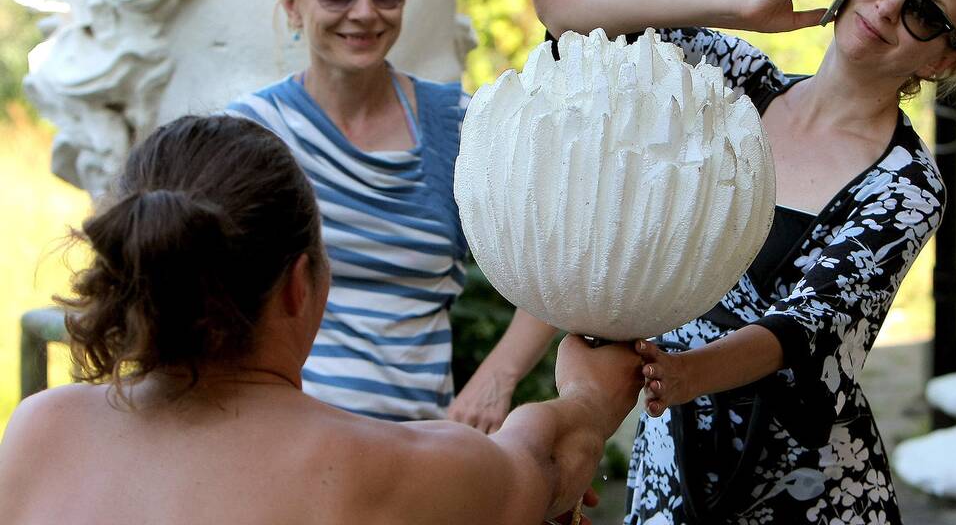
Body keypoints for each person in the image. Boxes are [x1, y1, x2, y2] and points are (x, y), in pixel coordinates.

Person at [533, 0, 956, 524]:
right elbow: (558, 3)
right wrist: (742, 8)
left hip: (805, 491)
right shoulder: (732, 85)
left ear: (943, 59)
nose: (887, 10)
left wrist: (679, 373)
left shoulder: (906, 184)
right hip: (672, 454)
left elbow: (804, 332)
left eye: (926, 14)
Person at [0, 114, 642, 525]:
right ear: (299, 284)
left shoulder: (39, 432)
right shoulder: (385, 469)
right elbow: (544, 460)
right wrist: (588, 395)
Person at [227, 0, 557, 428]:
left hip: (414, 452)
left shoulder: (460, 124)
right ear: (292, 3)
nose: (364, 12)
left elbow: (558, 258)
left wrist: (494, 383)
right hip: (280, 445)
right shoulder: (250, 134)